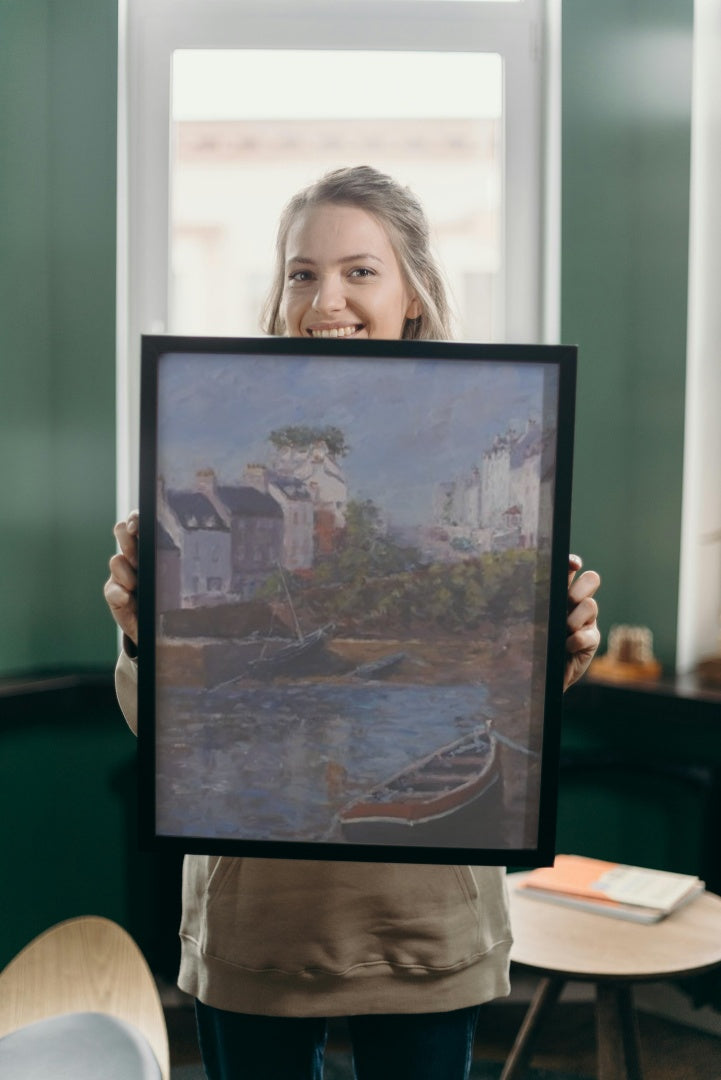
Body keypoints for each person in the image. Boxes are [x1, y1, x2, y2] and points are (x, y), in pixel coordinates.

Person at [105, 166, 601, 1080]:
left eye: (358, 271)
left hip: (425, 924)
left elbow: (512, 700)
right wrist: (140, 636)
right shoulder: (217, 444)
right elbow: (164, 728)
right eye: (301, 272)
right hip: (257, 925)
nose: (324, 297)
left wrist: (556, 652)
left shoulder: (494, 415)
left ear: (413, 292)